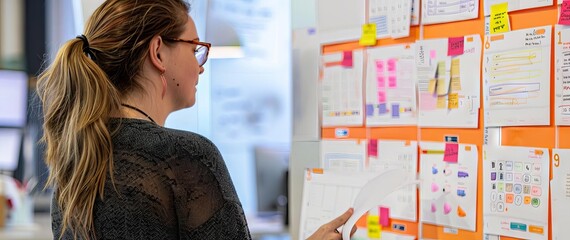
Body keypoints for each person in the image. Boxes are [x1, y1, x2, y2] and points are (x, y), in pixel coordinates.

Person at [36, 0, 355, 239]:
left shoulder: (77, 164)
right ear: (158, 52)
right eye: (195, 48)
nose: (201, 65)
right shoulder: (183, 157)